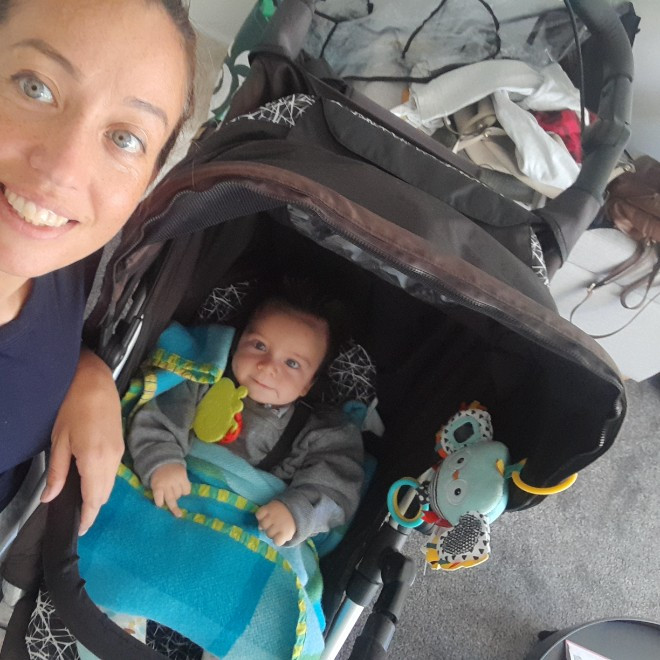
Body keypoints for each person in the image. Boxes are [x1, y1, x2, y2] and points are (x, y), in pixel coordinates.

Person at [0, 0, 197, 535]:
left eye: (125, 138)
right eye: (35, 87)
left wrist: (87, 374)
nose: (64, 169)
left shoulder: (71, 260)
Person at [127, 283, 365, 546]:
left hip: (242, 532)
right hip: (173, 500)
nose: (267, 366)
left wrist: (296, 513)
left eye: (292, 363)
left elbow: (337, 488)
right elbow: (160, 413)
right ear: (238, 342)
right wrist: (162, 460)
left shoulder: (319, 433)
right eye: (259, 346)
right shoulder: (201, 376)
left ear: (308, 385)